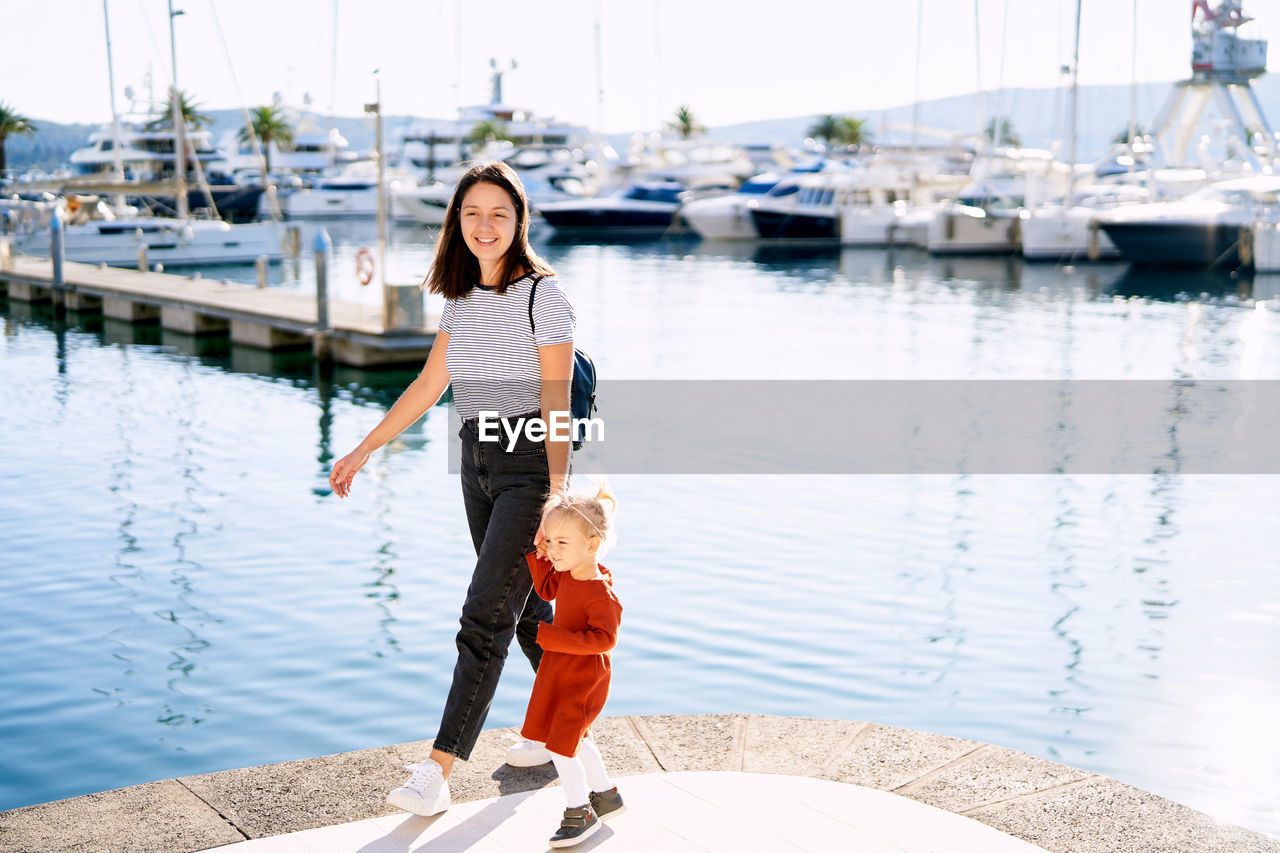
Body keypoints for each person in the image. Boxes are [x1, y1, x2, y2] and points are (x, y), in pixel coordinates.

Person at [328, 160, 576, 816]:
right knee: (523, 610)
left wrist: (557, 492)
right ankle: (566, 737)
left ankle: (437, 772)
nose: (484, 225)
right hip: (477, 464)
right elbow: (429, 385)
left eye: (499, 212)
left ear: (519, 220)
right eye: (472, 213)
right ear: (456, 222)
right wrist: (363, 448)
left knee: (484, 617)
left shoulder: (542, 295)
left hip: (529, 470)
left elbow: (557, 399)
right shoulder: (460, 298)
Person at [521, 488, 625, 848]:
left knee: (560, 746)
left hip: (584, 678)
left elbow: (605, 640)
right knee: (574, 739)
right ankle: (606, 796)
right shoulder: (566, 573)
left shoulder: (600, 593)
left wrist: (553, 639)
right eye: (550, 540)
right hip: (561, 670)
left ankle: (580, 812)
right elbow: (547, 590)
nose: (553, 549)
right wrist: (540, 555)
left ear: (592, 545)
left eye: (562, 542)